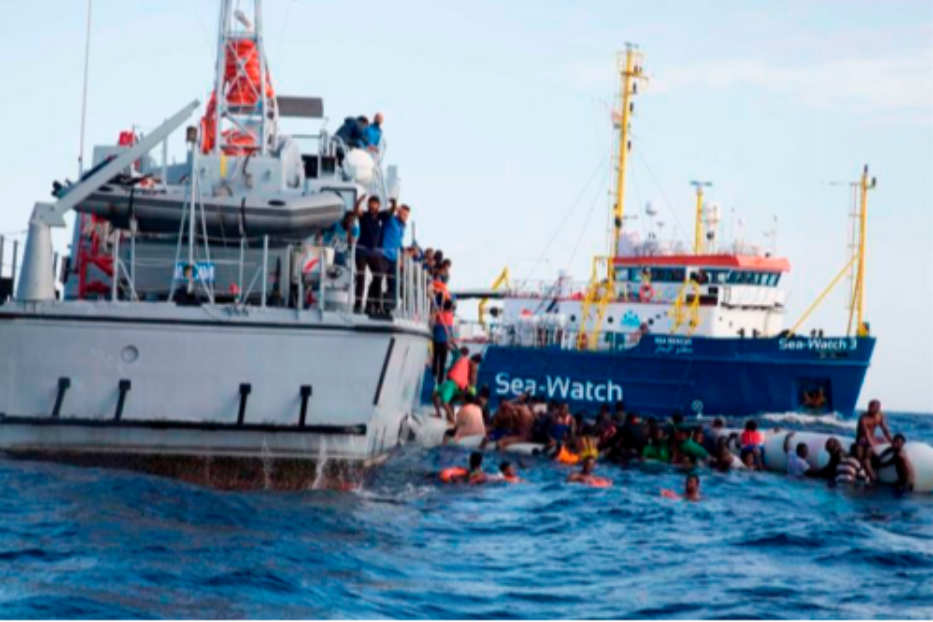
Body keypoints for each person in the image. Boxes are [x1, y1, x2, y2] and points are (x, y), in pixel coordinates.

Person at [354, 196, 389, 314]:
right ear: (368, 205)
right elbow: (356, 211)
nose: (372, 206)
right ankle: (358, 304)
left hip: (374, 252)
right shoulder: (364, 215)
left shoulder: (381, 216)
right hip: (361, 251)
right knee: (361, 277)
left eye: (375, 204)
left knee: (379, 276)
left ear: (378, 206)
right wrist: (359, 201)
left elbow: (391, 211)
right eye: (370, 204)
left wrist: (394, 204)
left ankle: (377, 304)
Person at [376, 203, 411, 313]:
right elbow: (388, 213)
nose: (405, 216)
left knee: (393, 283)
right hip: (384, 255)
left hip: (394, 258)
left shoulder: (403, 226)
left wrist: (402, 254)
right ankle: (373, 305)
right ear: (399, 212)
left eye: (407, 215)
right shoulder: (391, 219)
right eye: (403, 213)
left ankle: (388, 308)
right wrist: (396, 207)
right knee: (378, 279)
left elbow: (398, 242)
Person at [431, 298, 455, 386]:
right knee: (442, 361)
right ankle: (440, 381)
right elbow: (450, 331)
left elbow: (433, 324)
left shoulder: (439, 313)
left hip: (436, 339)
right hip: (444, 341)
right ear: (451, 307)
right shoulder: (450, 316)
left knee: (435, 358)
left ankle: (433, 375)